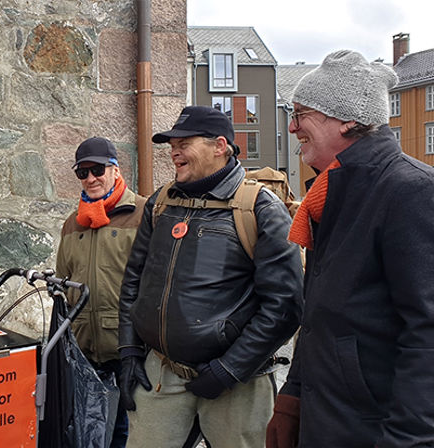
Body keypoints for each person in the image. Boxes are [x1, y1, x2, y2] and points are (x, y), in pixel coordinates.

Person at [266, 50, 434, 448]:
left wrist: (406, 441)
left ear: (347, 119)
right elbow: (322, 317)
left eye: (302, 113)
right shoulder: (333, 193)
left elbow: (427, 335)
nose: (292, 127)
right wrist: (293, 397)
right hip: (329, 418)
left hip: (375, 429)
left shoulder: (411, 191)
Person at [117, 106, 302, 448]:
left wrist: (230, 369)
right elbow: (133, 282)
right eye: (171, 143)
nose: (173, 151)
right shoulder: (160, 203)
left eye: (184, 143)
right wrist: (129, 350)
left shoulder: (260, 208)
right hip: (162, 373)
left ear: (220, 146)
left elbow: (285, 307)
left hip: (238, 382)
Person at [54, 136, 146, 447]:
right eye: (83, 172)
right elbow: (62, 281)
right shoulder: (72, 225)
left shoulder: (143, 214)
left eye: (98, 169)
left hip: (130, 346)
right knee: (91, 429)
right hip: (86, 349)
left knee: (128, 428)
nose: (91, 178)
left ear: (115, 170)